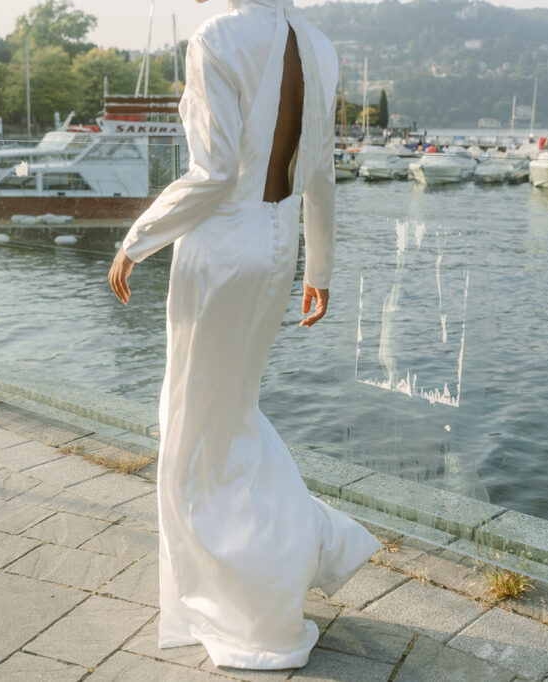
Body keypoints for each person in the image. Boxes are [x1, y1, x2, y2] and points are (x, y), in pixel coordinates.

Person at [107, 0, 381, 671]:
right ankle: (302, 544)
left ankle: (259, 593)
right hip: (278, 249)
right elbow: (318, 171)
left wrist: (137, 239)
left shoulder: (216, 37)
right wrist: (319, 267)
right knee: (230, 416)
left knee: (196, 428)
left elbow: (214, 171)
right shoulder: (318, 44)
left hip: (224, 252)